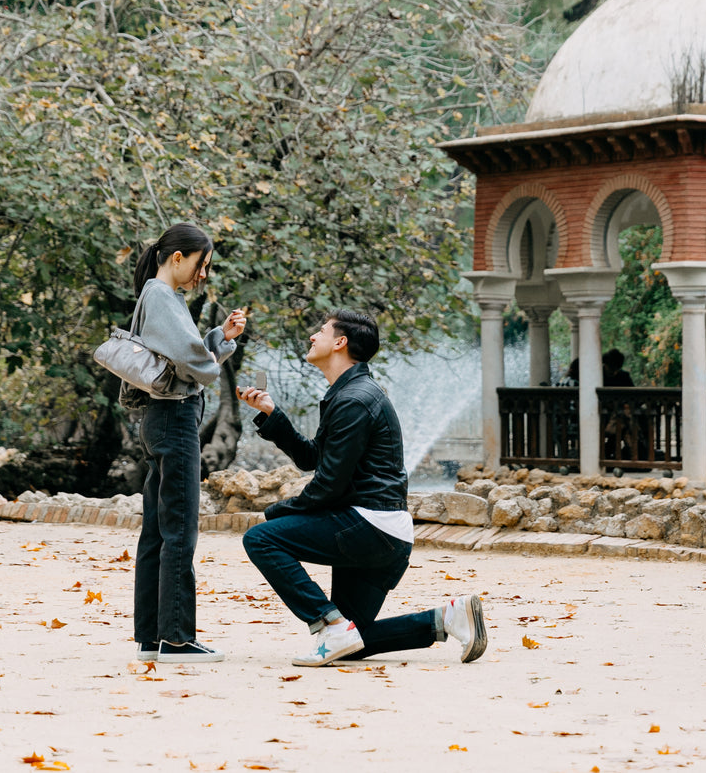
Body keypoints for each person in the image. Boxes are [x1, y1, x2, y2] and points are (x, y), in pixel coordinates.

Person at [237, 309, 487, 667]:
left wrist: (280, 511)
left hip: (371, 526)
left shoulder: (354, 399)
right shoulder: (349, 394)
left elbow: (328, 485)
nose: (312, 337)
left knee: (261, 538)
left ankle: (326, 623)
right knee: (354, 640)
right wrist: (271, 414)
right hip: (382, 531)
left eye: (320, 331)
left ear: (340, 342)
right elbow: (313, 459)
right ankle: (448, 618)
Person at [129, 222, 247, 664]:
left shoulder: (162, 297)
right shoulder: (161, 296)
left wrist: (221, 340)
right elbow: (192, 361)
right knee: (180, 528)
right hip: (174, 417)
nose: (204, 275)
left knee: (158, 530)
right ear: (177, 258)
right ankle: (177, 639)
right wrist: (211, 359)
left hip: (162, 417)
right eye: (202, 264)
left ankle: (152, 637)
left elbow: (186, 352)